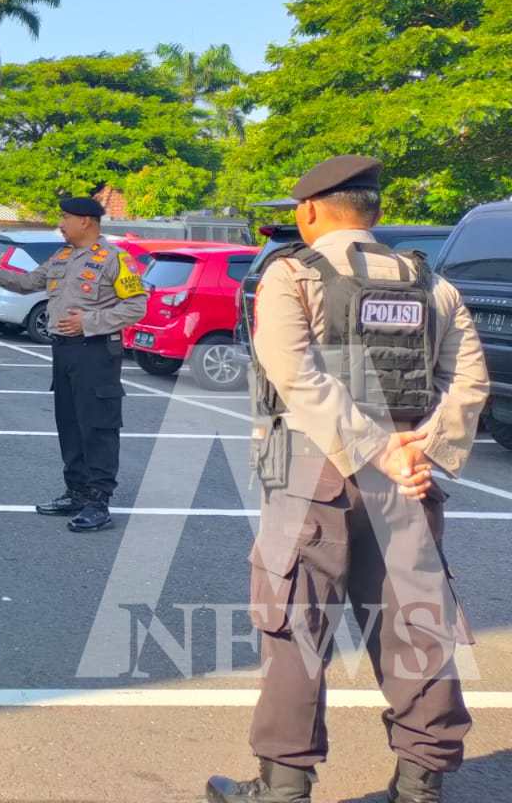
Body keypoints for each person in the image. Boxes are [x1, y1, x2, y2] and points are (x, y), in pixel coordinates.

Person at [206, 156, 489, 803]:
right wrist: (419, 450)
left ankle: (283, 787)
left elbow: (294, 374)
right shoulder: (434, 285)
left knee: (295, 630)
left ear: (308, 212)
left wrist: (375, 450)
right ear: (377, 215)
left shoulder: (291, 275)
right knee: (416, 629)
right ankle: (421, 786)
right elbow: (469, 381)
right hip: (409, 484)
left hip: (310, 477)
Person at [0, 196, 147, 533]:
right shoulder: (62, 256)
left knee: (97, 426)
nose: (60, 224)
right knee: (70, 424)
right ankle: (76, 492)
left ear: (86, 222)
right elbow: (29, 283)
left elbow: (137, 307)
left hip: (95, 351)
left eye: (65, 218)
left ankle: (98, 502)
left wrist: (90, 321)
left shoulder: (114, 259)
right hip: (63, 351)